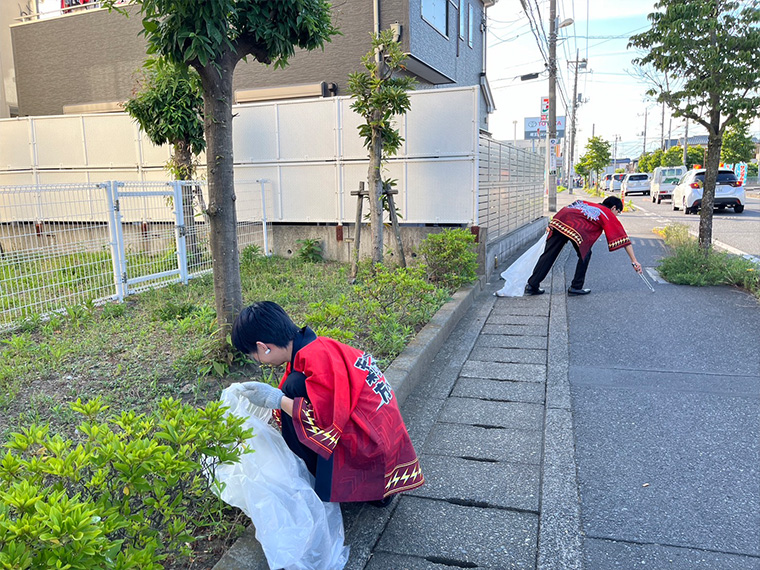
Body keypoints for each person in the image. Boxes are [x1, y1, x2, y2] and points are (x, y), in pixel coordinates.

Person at [231, 301, 424, 505]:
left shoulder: (317, 360)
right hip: (383, 442)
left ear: (263, 347)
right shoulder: (316, 347)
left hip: (374, 454)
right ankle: (355, 483)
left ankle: (347, 485)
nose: (257, 360)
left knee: (292, 391)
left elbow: (325, 423)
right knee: (293, 387)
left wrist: (276, 400)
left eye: (253, 355)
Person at [524, 196, 642, 296]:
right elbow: (623, 238)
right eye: (618, 212)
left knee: (549, 254)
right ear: (614, 208)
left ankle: (532, 285)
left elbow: (571, 207)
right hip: (574, 228)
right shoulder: (606, 213)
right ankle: (576, 287)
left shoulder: (588, 204)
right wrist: (634, 260)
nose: (617, 215)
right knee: (585, 254)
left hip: (559, 221)